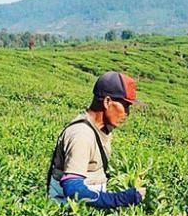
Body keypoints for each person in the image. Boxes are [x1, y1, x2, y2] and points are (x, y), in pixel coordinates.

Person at [47, 71, 146, 208]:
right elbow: (73, 189)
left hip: (89, 209)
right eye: (125, 106)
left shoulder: (102, 128)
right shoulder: (81, 135)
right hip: (69, 213)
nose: (127, 113)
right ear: (107, 102)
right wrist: (122, 199)